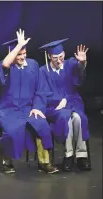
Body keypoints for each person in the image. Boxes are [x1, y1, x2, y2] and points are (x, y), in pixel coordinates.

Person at [0, 29, 58, 174]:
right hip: (8, 110)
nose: (23, 57)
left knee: (41, 125)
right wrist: (18, 45)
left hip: (28, 108)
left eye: (24, 53)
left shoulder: (33, 65)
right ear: (12, 54)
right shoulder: (5, 66)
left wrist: (37, 107)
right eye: (19, 54)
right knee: (11, 131)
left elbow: (40, 90)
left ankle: (44, 162)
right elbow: (5, 64)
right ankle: (7, 162)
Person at [39, 38, 91, 172]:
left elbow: (79, 73)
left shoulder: (70, 64)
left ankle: (81, 156)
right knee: (66, 117)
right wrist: (59, 101)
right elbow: (44, 93)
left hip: (73, 102)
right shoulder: (43, 71)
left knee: (79, 118)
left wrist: (82, 62)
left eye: (61, 56)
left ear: (64, 54)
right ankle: (69, 154)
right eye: (55, 57)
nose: (59, 60)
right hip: (54, 107)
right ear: (49, 56)